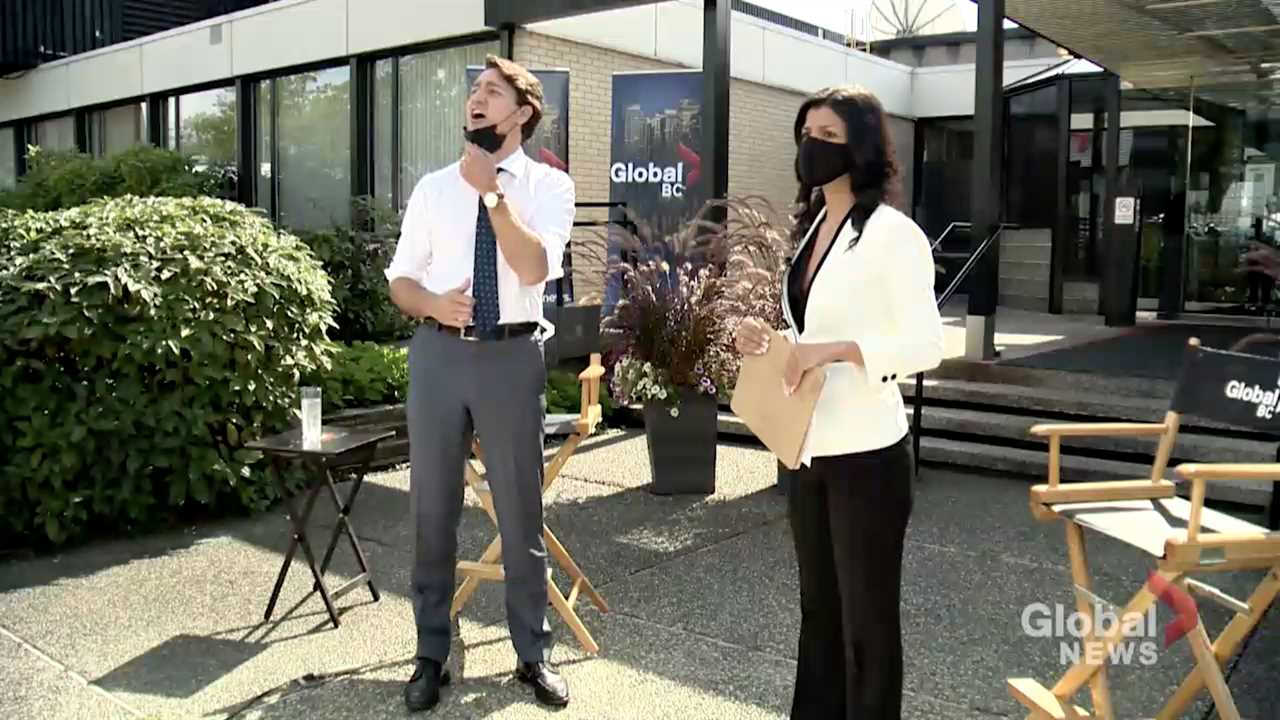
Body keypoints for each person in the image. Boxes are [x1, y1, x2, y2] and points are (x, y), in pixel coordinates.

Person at [735, 85, 944, 719]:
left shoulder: (893, 234)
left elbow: (926, 343)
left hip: (867, 457)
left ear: (861, 147)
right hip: (806, 448)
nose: (813, 147)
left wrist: (835, 350)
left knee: (866, 625)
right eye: (807, 133)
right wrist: (772, 341)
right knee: (817, 614)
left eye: (829, 136)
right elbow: (807, 333)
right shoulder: (812, 229)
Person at [385, 55, 576, 713]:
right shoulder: (434, 188)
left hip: (510, 359)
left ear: (522, 112)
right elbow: (401, 282)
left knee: (521, 511)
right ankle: (431, 655)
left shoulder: (550, 188)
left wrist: (491, 191)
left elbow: (533, 266)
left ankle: (533, 655)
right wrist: (434, 305)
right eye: (474, 90)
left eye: (492, 91)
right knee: (431, 512)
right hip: (439, 358)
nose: (476, 98)